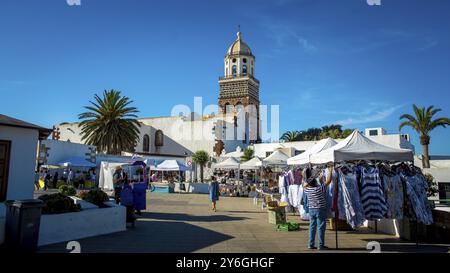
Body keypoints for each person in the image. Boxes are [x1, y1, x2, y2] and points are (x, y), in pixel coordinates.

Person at [304, 165, 334, 250]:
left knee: (312, 227)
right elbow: (328, 181)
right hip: (320, 209)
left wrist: (313, 176)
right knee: (321, 227)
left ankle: (310, 244)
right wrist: (331, 171)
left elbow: (307, 183)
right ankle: (320, 245)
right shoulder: (319, 189)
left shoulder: (307, 189)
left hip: (311, 209)